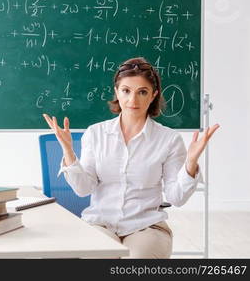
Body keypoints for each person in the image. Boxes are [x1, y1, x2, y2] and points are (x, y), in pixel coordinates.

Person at [42, 57, 219, 259]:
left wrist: (190, 164)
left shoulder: (169, 139)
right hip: (100, 223)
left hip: (146, 227)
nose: (133, 100)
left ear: (153, 95)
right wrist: (68, 152)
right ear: (117, 92)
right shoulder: (95, 133)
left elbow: (176, 197)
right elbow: (84, 188)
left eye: (142, 92)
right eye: (126, 91)